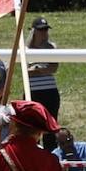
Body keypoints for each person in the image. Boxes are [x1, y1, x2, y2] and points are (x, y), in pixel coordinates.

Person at [26, 17, 60, 147]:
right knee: (32, 126)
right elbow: (25, 71)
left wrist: (36, 69)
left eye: (45, 30)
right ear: (34, 31)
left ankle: (50, 153)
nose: (44, 33)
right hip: (33, 91)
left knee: (50, 126)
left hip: (50, 91)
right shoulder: (26, 49)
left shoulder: (51, 47)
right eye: (41, 30)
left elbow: (54, 68)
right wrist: (42, 69)